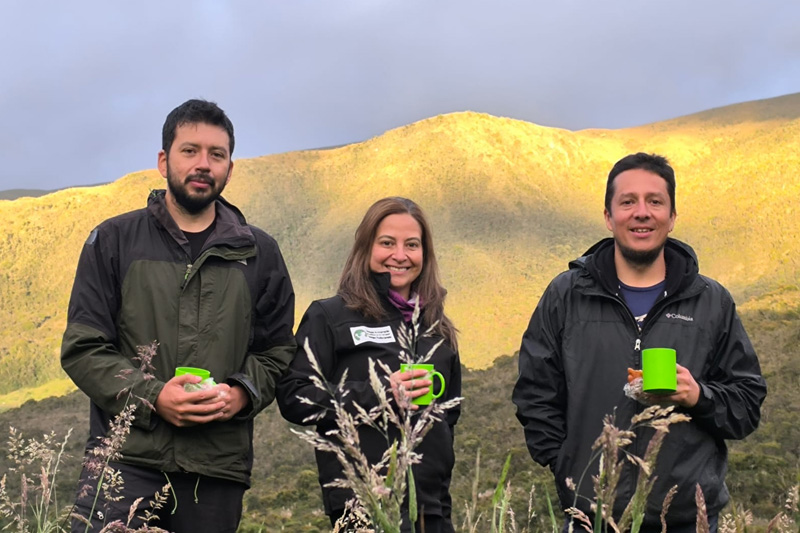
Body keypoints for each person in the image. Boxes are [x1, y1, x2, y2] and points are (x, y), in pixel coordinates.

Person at [61, 99, 296, 533]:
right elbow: (84, 349)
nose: (203, 164)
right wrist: (153, 396)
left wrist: (241, 394)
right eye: (190, 151)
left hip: (216, 472)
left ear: (229, 168)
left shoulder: (260, 253)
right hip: (124, 463)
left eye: (216, 154)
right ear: (164, 160)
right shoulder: (113, 241)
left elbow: (277, 351)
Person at [512, 153, 767, 532]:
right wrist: (564, 463)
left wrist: (699, 396)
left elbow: (747, 405)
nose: (642, 213)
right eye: (628, 201)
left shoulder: (712, 301)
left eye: (655, 201)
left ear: (672, 216)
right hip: (590, 517)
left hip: (685, 520)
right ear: (608, 216)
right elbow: (535, 392)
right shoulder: (566, 295)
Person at [277, 197, 461, 532]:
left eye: (412, 245)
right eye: (387, 243)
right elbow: (294, 396)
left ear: (425, 253)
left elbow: (448, 425)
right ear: (365, 248)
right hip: (362, 505)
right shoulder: (330, 316)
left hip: (430, 511)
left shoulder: (438, 330)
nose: (400, 255)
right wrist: (378, 394)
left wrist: (442, 506)